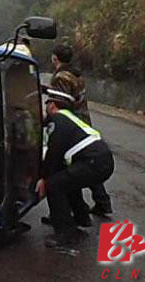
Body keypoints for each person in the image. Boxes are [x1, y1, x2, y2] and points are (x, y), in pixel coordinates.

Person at [35, 88, 115, 249]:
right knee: (68, 181)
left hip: (93, 162)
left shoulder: (57, 119)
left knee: (54, 185)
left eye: (47, 103)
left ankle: (66, 233)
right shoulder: (68, 118)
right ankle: (81, 218)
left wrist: (43, 179)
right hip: (101, 161)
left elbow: (53, 153)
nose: (46, 107)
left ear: (53, 105)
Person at [50, 44, 112, 216]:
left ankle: (72, 212)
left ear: (55, 58)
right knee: (87, 164)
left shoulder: (61, 77)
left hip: (72, 125)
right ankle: (102, 202)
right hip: (84, 121)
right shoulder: (76, 75)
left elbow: (62, 103)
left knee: (71, 167)